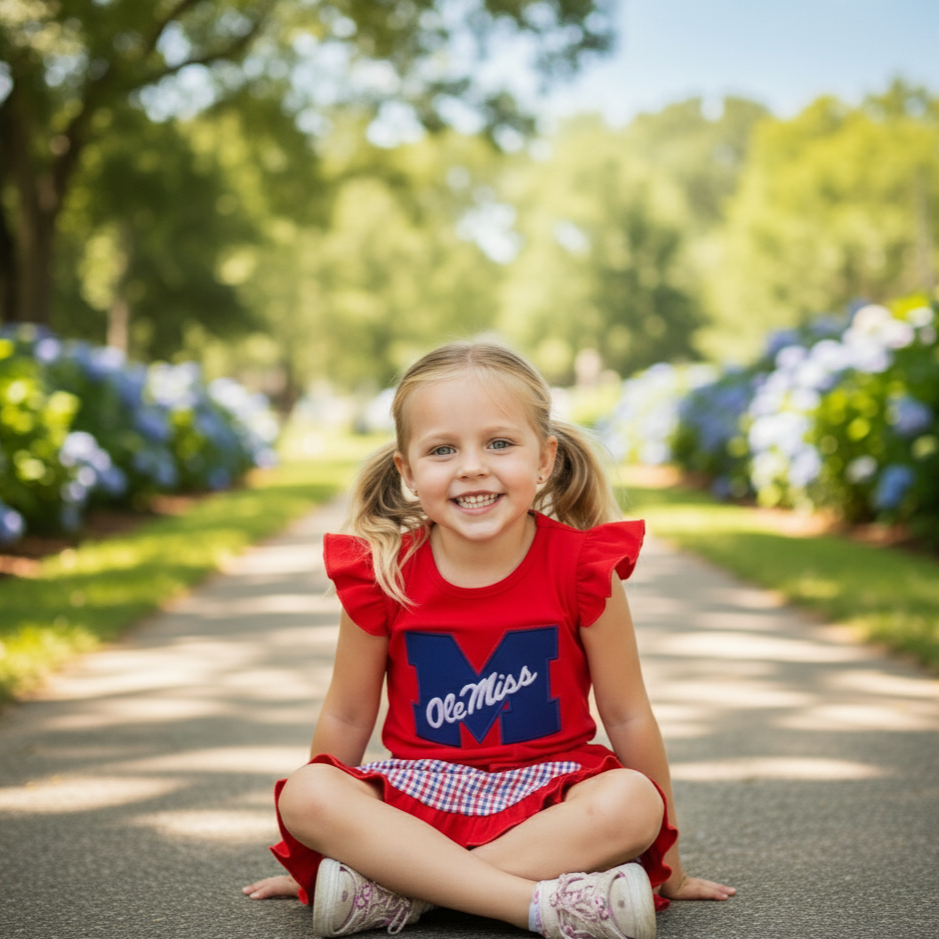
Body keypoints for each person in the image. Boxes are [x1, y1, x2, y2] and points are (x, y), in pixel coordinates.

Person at [244, 341, 734, 938]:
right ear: (407, 470)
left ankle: (403, 892)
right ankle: (542, 905)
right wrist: (311, 859)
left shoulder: (583, 568)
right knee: (307, 794)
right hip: (420, 800)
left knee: (634, 802)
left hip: (549, 801)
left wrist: (668, 863)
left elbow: (628, 716)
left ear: (545, 458)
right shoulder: (383, 573)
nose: (472, 466)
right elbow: (346, 717)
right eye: (442, 449)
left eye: (499, 444)